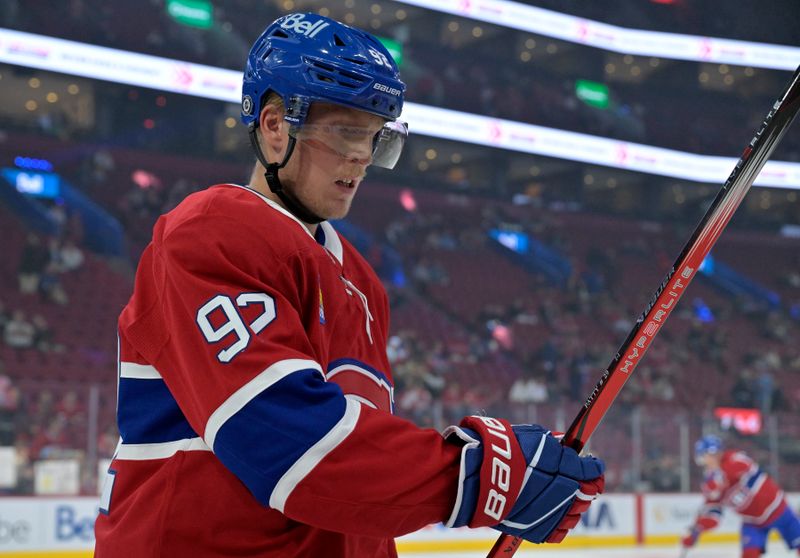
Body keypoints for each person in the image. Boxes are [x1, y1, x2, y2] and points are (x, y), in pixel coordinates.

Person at [93, 12, 604, 557]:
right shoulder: (210, 234)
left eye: (375, 138)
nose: (361, 157)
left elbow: (353, 511)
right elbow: (290, 447)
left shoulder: (360, 280)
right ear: (273, 125)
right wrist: (476, 476)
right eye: (344, 133)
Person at [682, 435, 800, 558]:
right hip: (752, 522)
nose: (705, 462)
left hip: (778, 511)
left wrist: (719, 478)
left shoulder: (734, 458)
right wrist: (697, 529)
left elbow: (746, 467)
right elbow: (713, 514)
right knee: (749, 555)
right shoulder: (710, 484)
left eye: (706, 457)